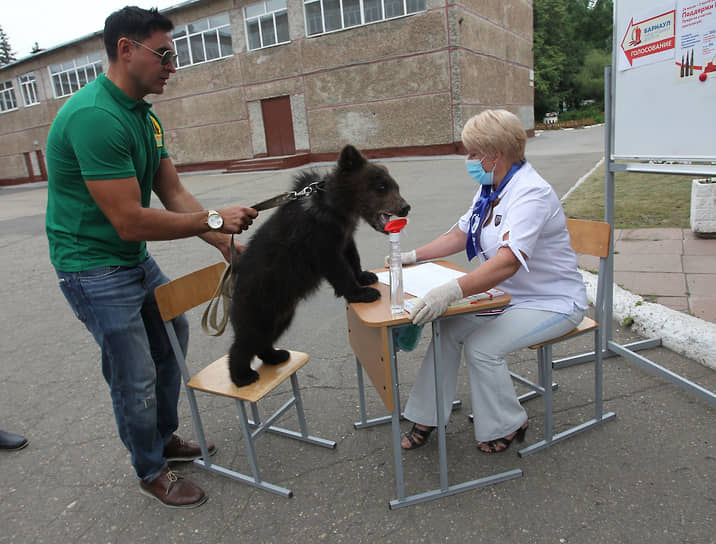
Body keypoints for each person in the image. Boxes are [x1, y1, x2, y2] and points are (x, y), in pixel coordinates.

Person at [45, 6, 257, 508]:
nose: (172, 65)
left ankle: (162, 439)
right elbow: (130, 219)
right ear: (125, 50)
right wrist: (213, 220)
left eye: (173, 56)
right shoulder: (95, 117)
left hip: (130, 260)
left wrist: (228, 244)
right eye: (163, 54)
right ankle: (150, 468)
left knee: (172, 336)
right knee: (134, 371)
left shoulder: (145, 117)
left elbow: (174, 193)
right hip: (92, 268)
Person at [398, 109, 587, 453]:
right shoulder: (491, 188)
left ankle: (510, 422)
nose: (468, 160)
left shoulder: (531, 193)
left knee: (482, 348)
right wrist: (411, 256)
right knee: (447, 329)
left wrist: (451, 291)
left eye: (472, 153)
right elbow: (461, 233)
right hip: (508, 298)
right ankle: (427, 414)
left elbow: (507, 263)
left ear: (494, 154)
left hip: (552, 302)